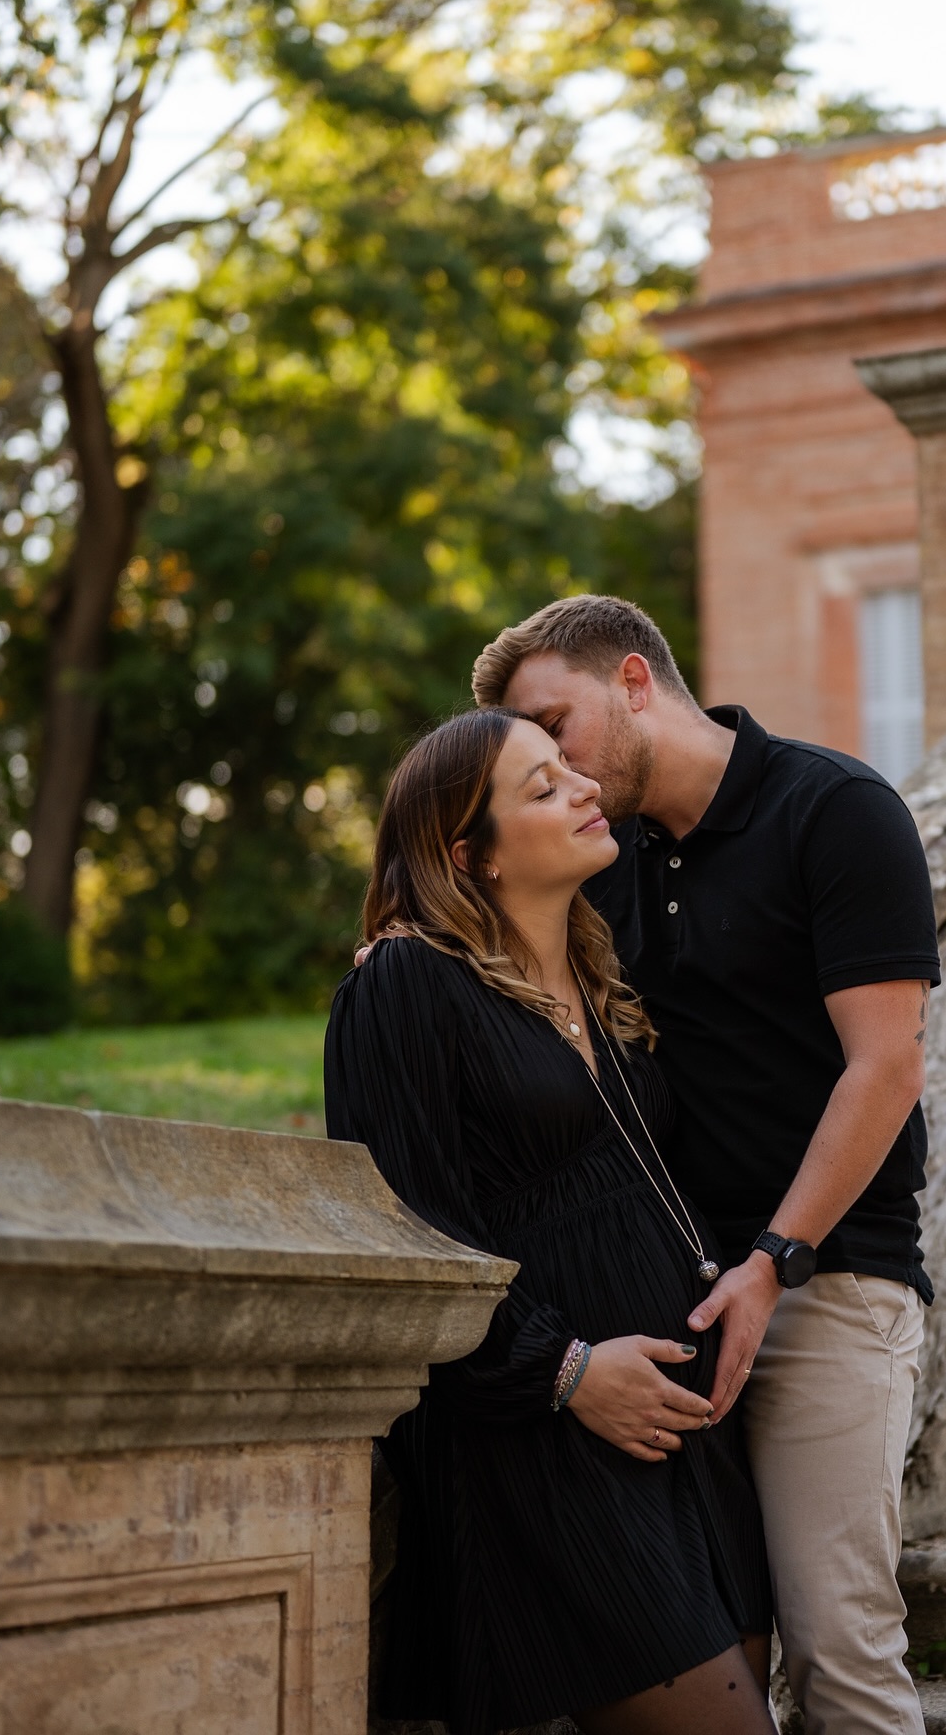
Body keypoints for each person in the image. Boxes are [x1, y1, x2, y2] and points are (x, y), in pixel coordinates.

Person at [471, 596, 941, 1735]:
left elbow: (885, 1068)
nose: (555, 767)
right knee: (708, 1649)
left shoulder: (836, 810)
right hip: (661, 1306)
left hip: (824, 1284)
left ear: (635, 681)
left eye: (557, 726)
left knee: (838, 1652)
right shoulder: (601, 854)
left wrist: (775, 1259)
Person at [325, 708, 774, 1735]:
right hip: (546, 1439)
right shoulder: (403, 987)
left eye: (570, 767)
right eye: (542, 786)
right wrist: (565, 1371)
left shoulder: (601, 972)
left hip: (686, 1433)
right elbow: (415, 1236)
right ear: (468, 854)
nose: (581, 787)